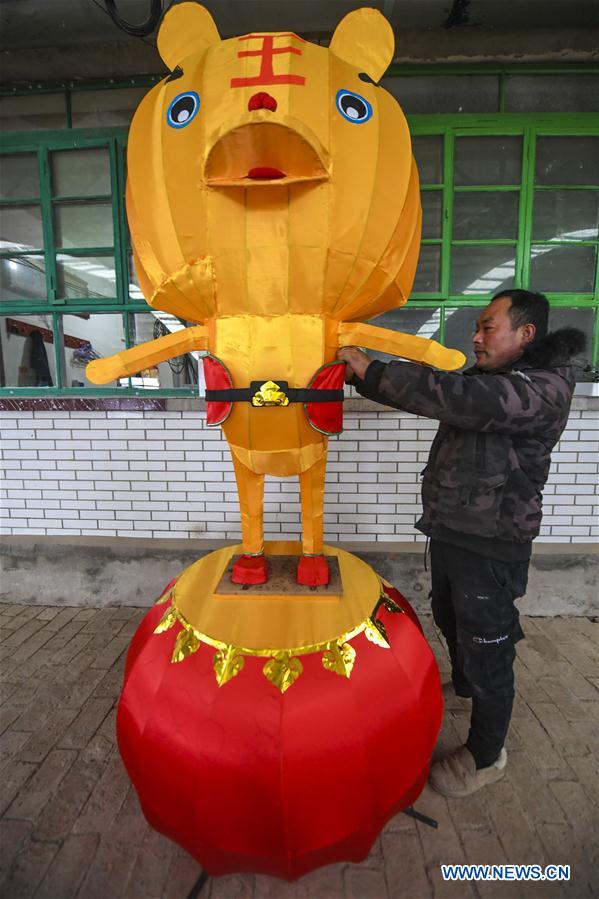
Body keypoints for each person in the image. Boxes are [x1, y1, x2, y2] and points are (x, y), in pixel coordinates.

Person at [338, 289, 585, 798]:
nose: (475, 337)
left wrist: (372, 369)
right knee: (448, 614)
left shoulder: (541, 389)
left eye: (487, 326)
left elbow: (460, 400)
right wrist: (366, 380)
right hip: (455, 528)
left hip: (493, 541)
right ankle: (468, 686)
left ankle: (486, 753)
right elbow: (441, 393)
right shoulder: (494, 379)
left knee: (487, 643)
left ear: (526, 334)